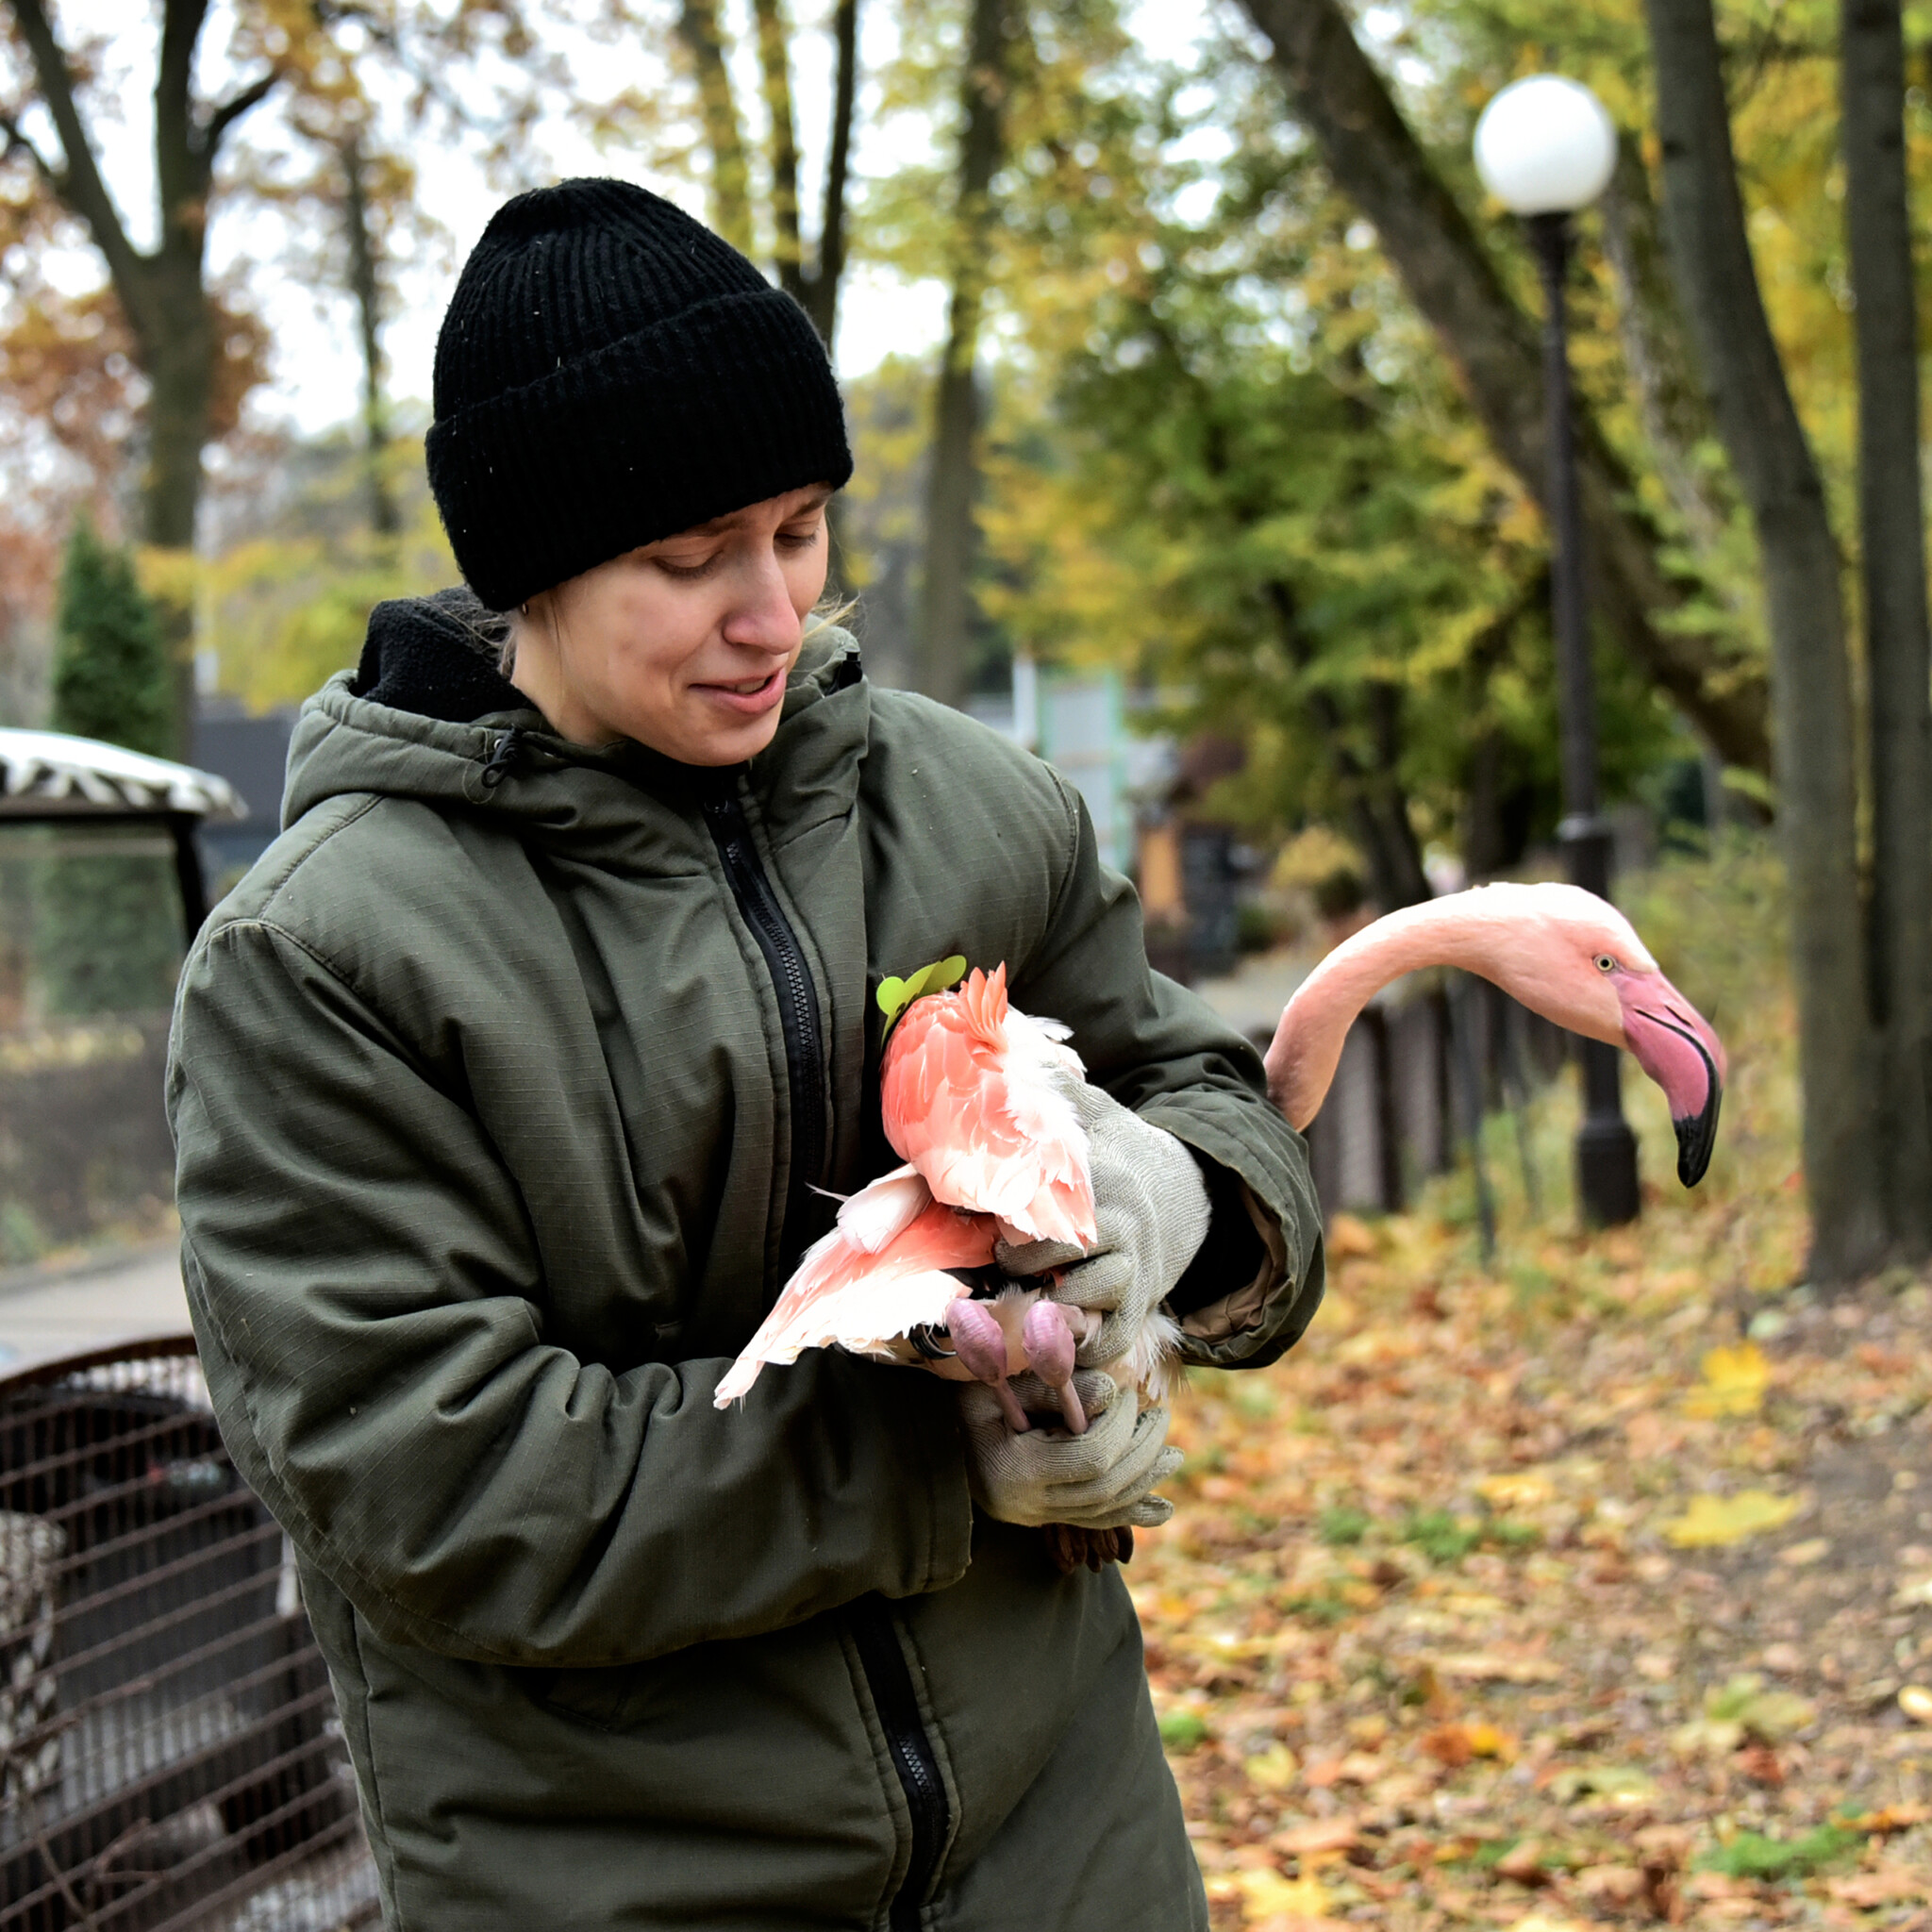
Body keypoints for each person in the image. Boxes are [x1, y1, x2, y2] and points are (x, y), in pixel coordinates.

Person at [168, 178, 1324, 1931]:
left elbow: (1208, 1098)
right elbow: (439, 1489)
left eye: (798, 531)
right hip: (628, 1876)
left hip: (1067, 1836)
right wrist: (944, 1452)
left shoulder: (969, 807)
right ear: (532, 565)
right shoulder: (325, 960)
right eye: (690, 557)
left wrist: (1184, 1217)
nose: (774, 612)